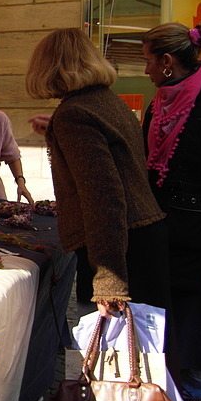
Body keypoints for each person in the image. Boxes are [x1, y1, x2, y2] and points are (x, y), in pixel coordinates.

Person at [25, 28, 171, 322]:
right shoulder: (106, 101)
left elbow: (104, 197)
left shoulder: (75, 113)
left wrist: (109, 281)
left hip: (119, 248)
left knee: (120, 352)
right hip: (140, 238)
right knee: (150, 346)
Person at [141, 21, 201, 401]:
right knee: (165, 332)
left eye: (148, 61)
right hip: (162, 238)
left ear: (168, 61)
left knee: (194, 332)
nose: (146, 71)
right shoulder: (157, 105)